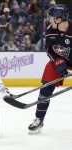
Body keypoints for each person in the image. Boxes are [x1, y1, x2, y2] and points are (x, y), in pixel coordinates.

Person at [28, 4, 72, 134]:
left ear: (59, 19)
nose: (49, 19)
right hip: (61, 60)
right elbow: (49, 50)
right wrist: (58, 61)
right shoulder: (50, 30)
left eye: (52, 17)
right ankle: (39, 119)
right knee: (46, 88)